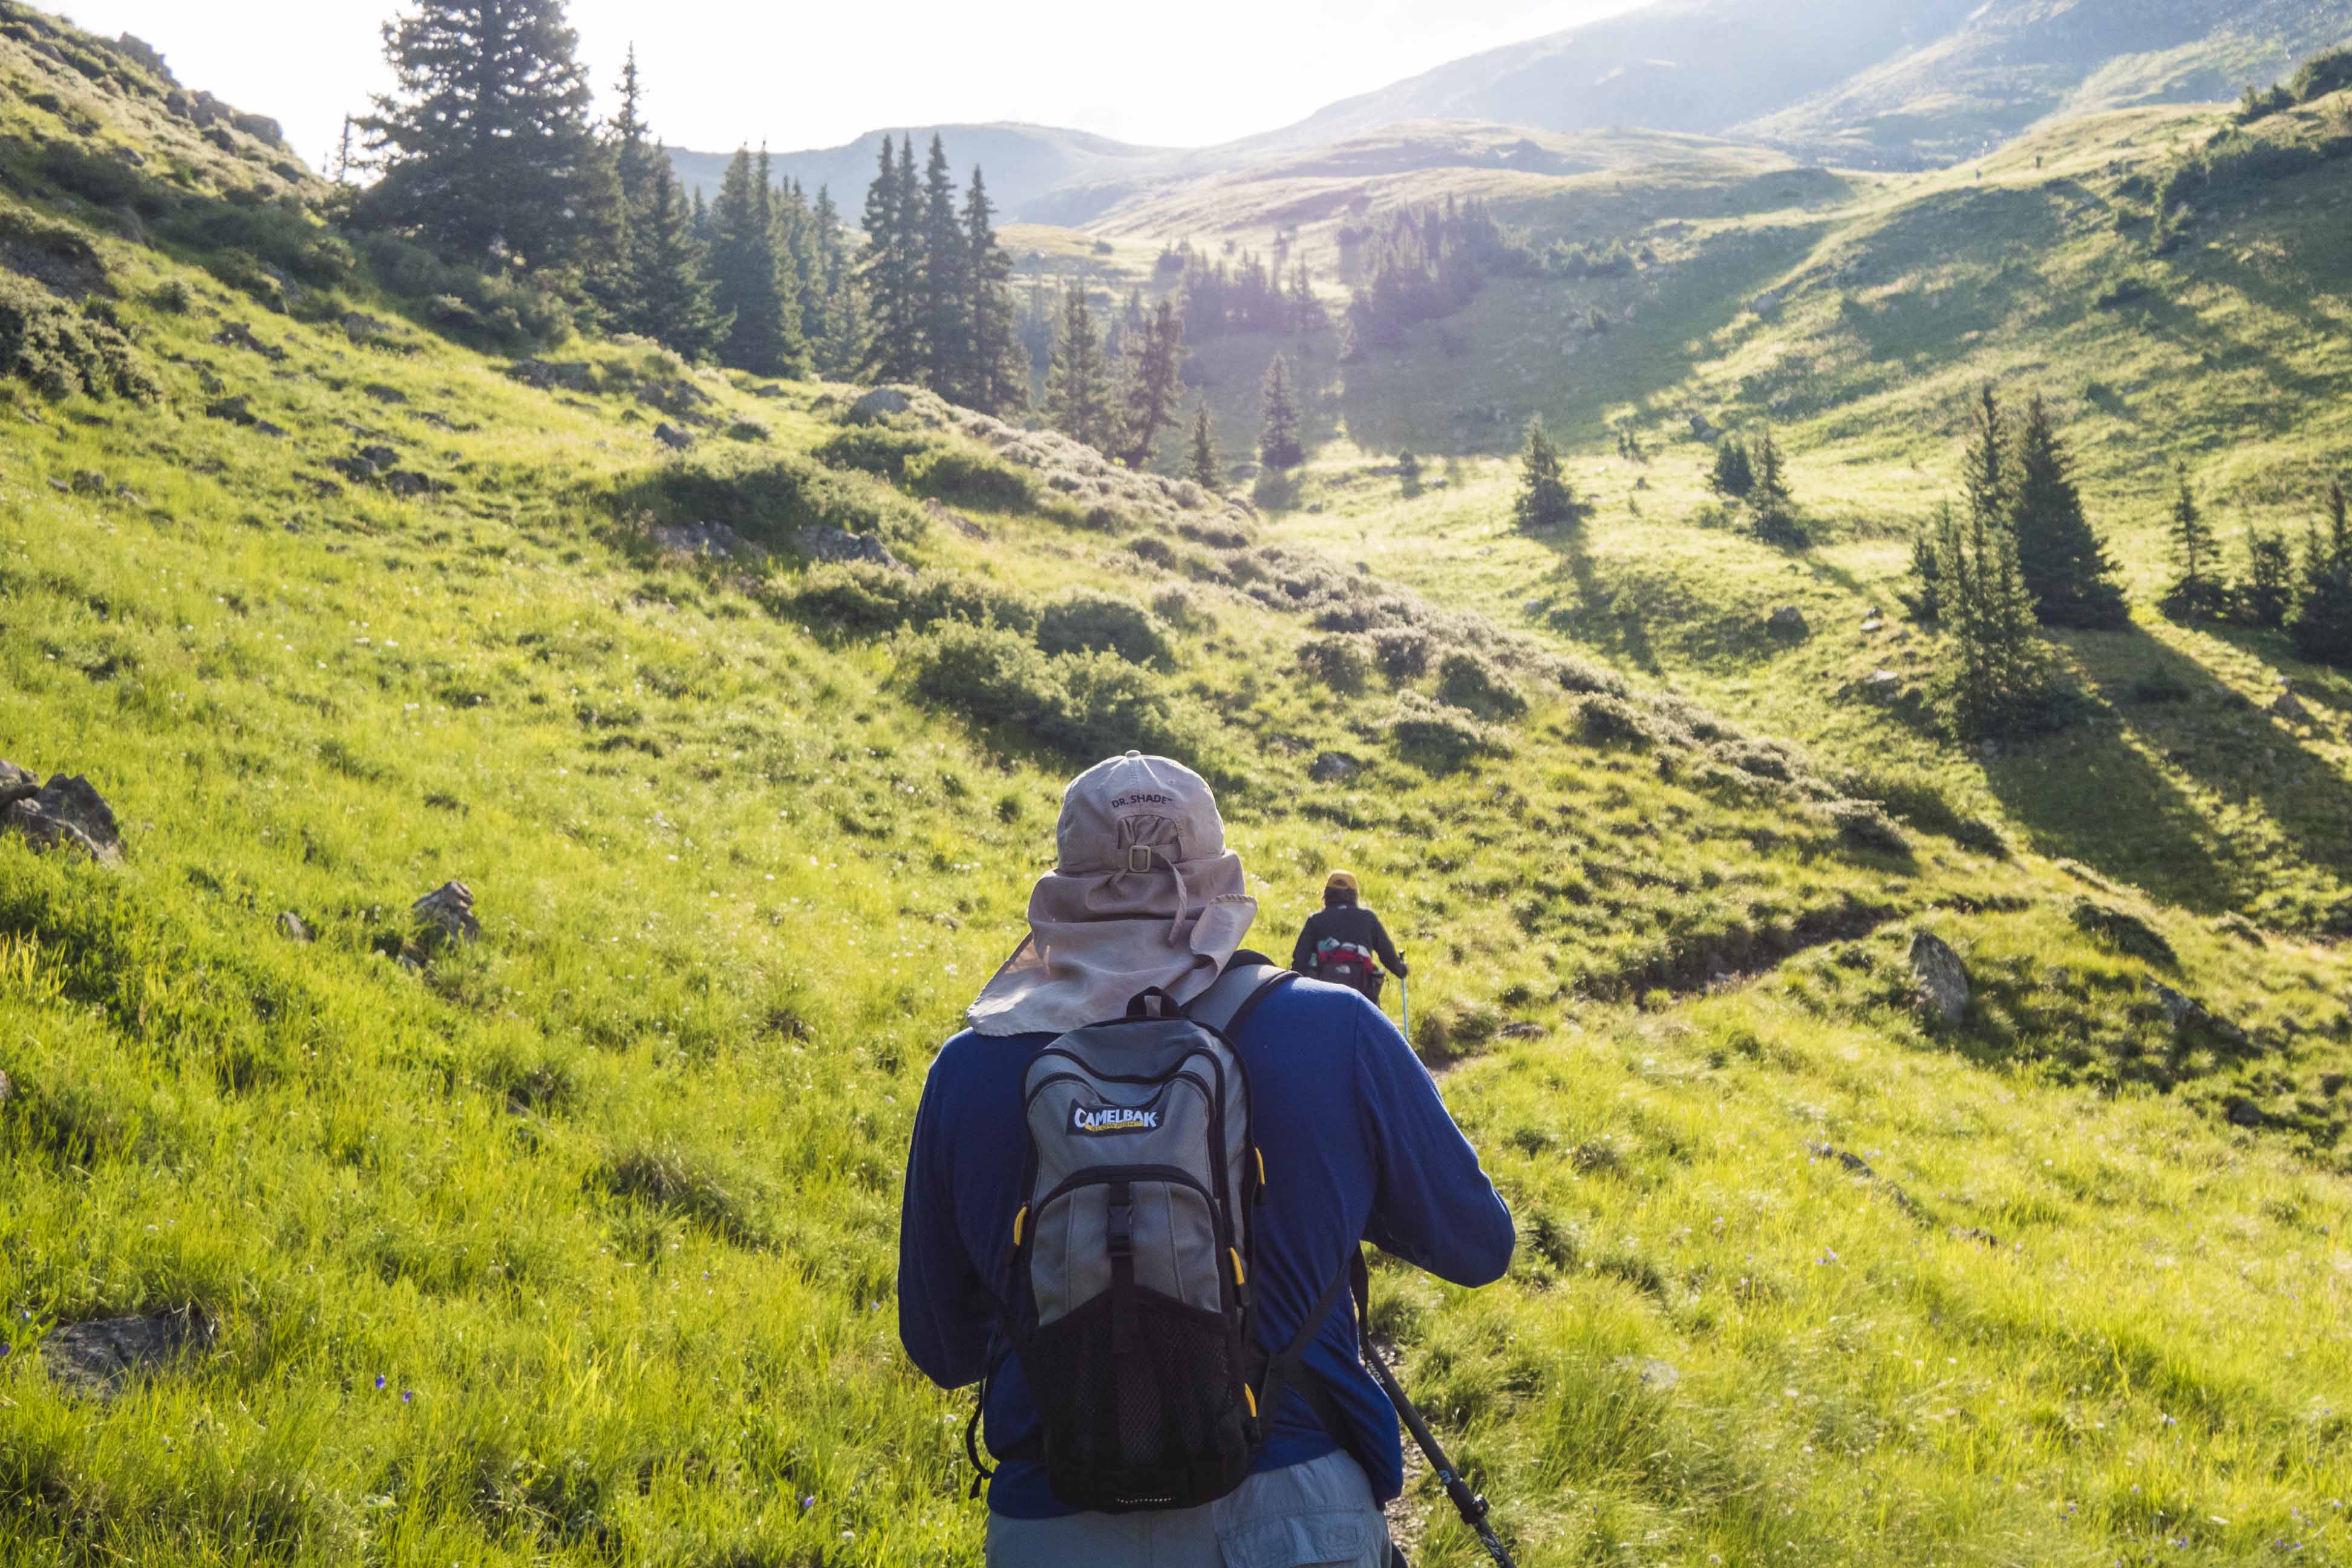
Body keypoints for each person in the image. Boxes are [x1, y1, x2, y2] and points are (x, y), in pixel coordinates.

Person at [899, 751, 1514, 1567]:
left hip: (1057, 1527)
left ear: (1060, 887)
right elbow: (1479, 1247)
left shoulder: (970, 1069)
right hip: (1300, 1518)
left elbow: (939, 1349)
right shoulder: (1338, 1030)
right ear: (1219, 878)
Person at [1291, 871, 1408, 1005]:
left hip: (1323, 997)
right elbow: (1388, 956)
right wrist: (1402, 970)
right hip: (1363, 997)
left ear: (1327, 895)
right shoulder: (1368, 919)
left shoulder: (1316, 920)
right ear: (1355, 895)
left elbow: (1299, 961)